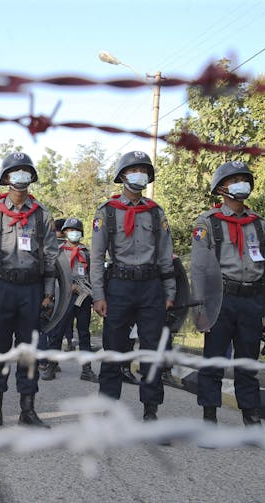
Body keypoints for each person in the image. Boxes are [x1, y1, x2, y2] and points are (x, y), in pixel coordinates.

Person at [0, 151, 56, 430]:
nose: (20, 177)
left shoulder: (42, 214)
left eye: (25, 172)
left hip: (31, 289)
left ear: (31, 177)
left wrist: (48, 292)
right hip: (1, 289)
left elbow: (52, 257)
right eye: (15, 172)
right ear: (6, 178)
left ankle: (28, 410)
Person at [90, 151, 175, 421]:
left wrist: (170, 291)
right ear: (123, 176)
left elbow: (165, 255)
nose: (139, 174)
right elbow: (96, 256)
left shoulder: (155, 212)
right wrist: (98, 295)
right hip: (118, 285)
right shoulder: (107, 212)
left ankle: (151, 411)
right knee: (114, 348)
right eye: (134, 169)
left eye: (144, 170)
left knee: (152, 350)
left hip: (151, 286)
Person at [193, 161, 265, 426]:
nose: (242, 183)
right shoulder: (208, 223)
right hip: (221, 300)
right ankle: (209, 417)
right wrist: (201, 309)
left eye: (245, 178)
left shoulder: (259, 225)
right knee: (214, 361)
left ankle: (251, 417)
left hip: (252, 300)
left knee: (247, 363)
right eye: (234, 179)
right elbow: (198, 270)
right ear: (221, 188)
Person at [44, 217, 98, 382]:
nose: (73, 233)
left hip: (83, 297)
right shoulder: (59, 252)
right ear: (65, 233)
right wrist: (50, 295)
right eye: (69, 231)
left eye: (76, 231)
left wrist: (94, 295)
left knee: (84, 333)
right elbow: (51, 275)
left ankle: (87, 369)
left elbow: (94, 276)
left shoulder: (87, 253)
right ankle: (51, 366)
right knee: (57, 332)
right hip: (64, 297)